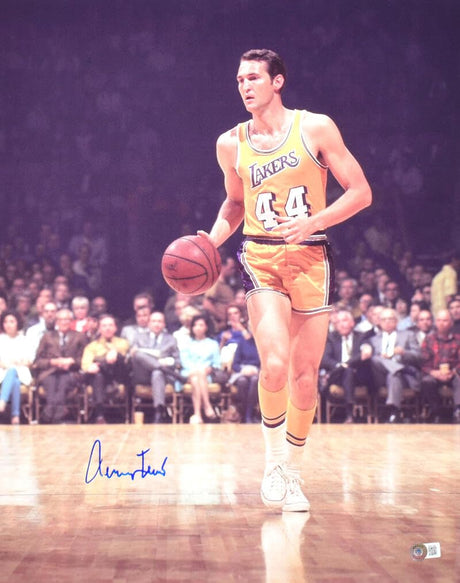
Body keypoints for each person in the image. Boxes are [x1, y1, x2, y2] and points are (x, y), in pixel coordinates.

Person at [197, 49, 371, 511]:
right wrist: (209, 241)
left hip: (312, 256)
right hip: (260, 255)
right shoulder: (230, 143)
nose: (245, 86)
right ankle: (273, 465)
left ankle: (292, 472)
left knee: (304, 377)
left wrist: (316, 221)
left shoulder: (315, 127)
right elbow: (235, 204)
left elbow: (361, 192)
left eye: (254, 77)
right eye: (240, 80)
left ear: (277, 82)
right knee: (274, 364)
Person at [33, 308, 87, 423]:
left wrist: (71, 361)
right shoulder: (47, 336)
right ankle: (59, 414)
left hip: (71, 372)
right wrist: (52, 362)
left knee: (63, 381)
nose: (63, 322)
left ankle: (49, 413)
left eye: (66, 319)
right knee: (51, 381)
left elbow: (85, 359)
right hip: (50, 371)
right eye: (61, 319)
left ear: (71, 321)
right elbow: (38, 361)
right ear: (56, 322)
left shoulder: (80, 337)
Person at [367, 308, 421, 422]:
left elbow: (418, 357)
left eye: (390, 319)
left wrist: (404, 353)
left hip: (404, 378)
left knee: (393, 375)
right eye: (384, 319)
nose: (387, 322)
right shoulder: (373, 340)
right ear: (379, 322)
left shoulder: (408, 335)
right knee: (375, 358)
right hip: (380, 377)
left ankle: (393, 411)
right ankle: (400, 369)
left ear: (397, 321)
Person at [320, 309, 372, 423]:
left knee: (349, 371)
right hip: (336, 375)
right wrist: (340, 366)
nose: (341, 324)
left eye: (344, 320)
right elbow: (325, 359)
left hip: (358, 376)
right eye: (338, 322)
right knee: (346, 372)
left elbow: (364, 354)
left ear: (352, 322)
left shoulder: (361, 337)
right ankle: (349, 414)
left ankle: (349, 414)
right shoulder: (331, 338)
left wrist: (346, 365)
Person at [130, 311, 181, 423]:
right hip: (143, 375)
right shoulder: (139, 338)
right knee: (137, 354)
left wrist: (166, 361)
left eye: (159, 321)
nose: (156, 324)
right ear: (149, 323)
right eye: (154, 321)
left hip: (163, 376)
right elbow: (132, 356)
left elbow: (177, 361)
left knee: (157, 373)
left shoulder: (171, 339)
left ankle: (158, 411)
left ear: (164, 324)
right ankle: (159, 366)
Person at [81, 314, 130, 423]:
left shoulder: (123, 342)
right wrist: (92, 366)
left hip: (118, 375)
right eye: (104, 326)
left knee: (118, 358)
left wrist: (113, 353)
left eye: (110, 325)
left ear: (115, 328)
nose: (107, 328)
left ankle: (100, 414)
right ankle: (100, 415)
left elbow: (122, 355)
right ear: (99, 329)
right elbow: (85, 365)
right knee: (98, 375)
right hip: (99, 376)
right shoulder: (92, 346)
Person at [420, 309, 460, 423]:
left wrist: (453, 371)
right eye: (439, 320)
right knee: (427, 381)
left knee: (459, 380)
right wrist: (433, 372)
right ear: (435, 322)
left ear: (451, 323)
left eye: (445, 320)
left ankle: (458, 410)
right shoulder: (429, 339)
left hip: (453, 373)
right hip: (434, 373)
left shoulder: (458, 339)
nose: (442, 323)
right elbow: (423, 361)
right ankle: (437, 411)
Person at [180, 314, 221, 424]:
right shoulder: (187, 343)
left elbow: (217, 364)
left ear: (206, 327)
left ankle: (197, 414)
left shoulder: (213, 344)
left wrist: (209, 369)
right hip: (188, 372)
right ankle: (207, 406)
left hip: (206, 375)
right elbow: (184, 362)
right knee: (197, 374)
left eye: (201, 325)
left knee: (197, 378)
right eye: (195, 325)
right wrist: (195, 370)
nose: (197, 328)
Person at [0, 310, 34, 424]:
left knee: (13, 372)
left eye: (11, 321)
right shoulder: (1, 339)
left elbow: (29, 360)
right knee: (14, 380)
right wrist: (7, 364)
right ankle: (15, 416)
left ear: (17, 323)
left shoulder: (25, 340)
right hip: (3, 371)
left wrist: (17, 363)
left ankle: (2, 402)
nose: (8, 325)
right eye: (5, 322)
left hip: (22, 371)